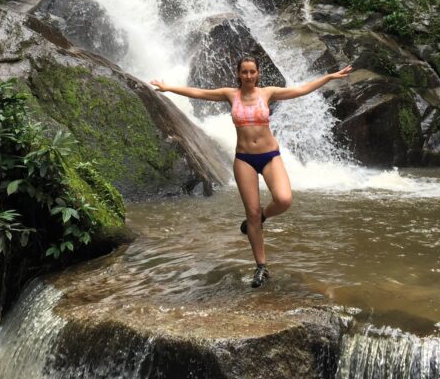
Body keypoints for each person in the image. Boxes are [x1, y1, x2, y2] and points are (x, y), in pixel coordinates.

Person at [151, 56, 353, 288]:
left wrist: (328, 77)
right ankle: (261, 266)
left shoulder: (267, 93)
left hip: (270, 156)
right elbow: (198, 92)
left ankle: (263, 217)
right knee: (252, 212)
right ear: (239, 74)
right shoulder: (230, 94)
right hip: (244, 159)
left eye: (252, 72)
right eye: (244, 72)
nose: (248, 76)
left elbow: (300, 90)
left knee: (284, 199)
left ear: (258, 74)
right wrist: (168, 88)